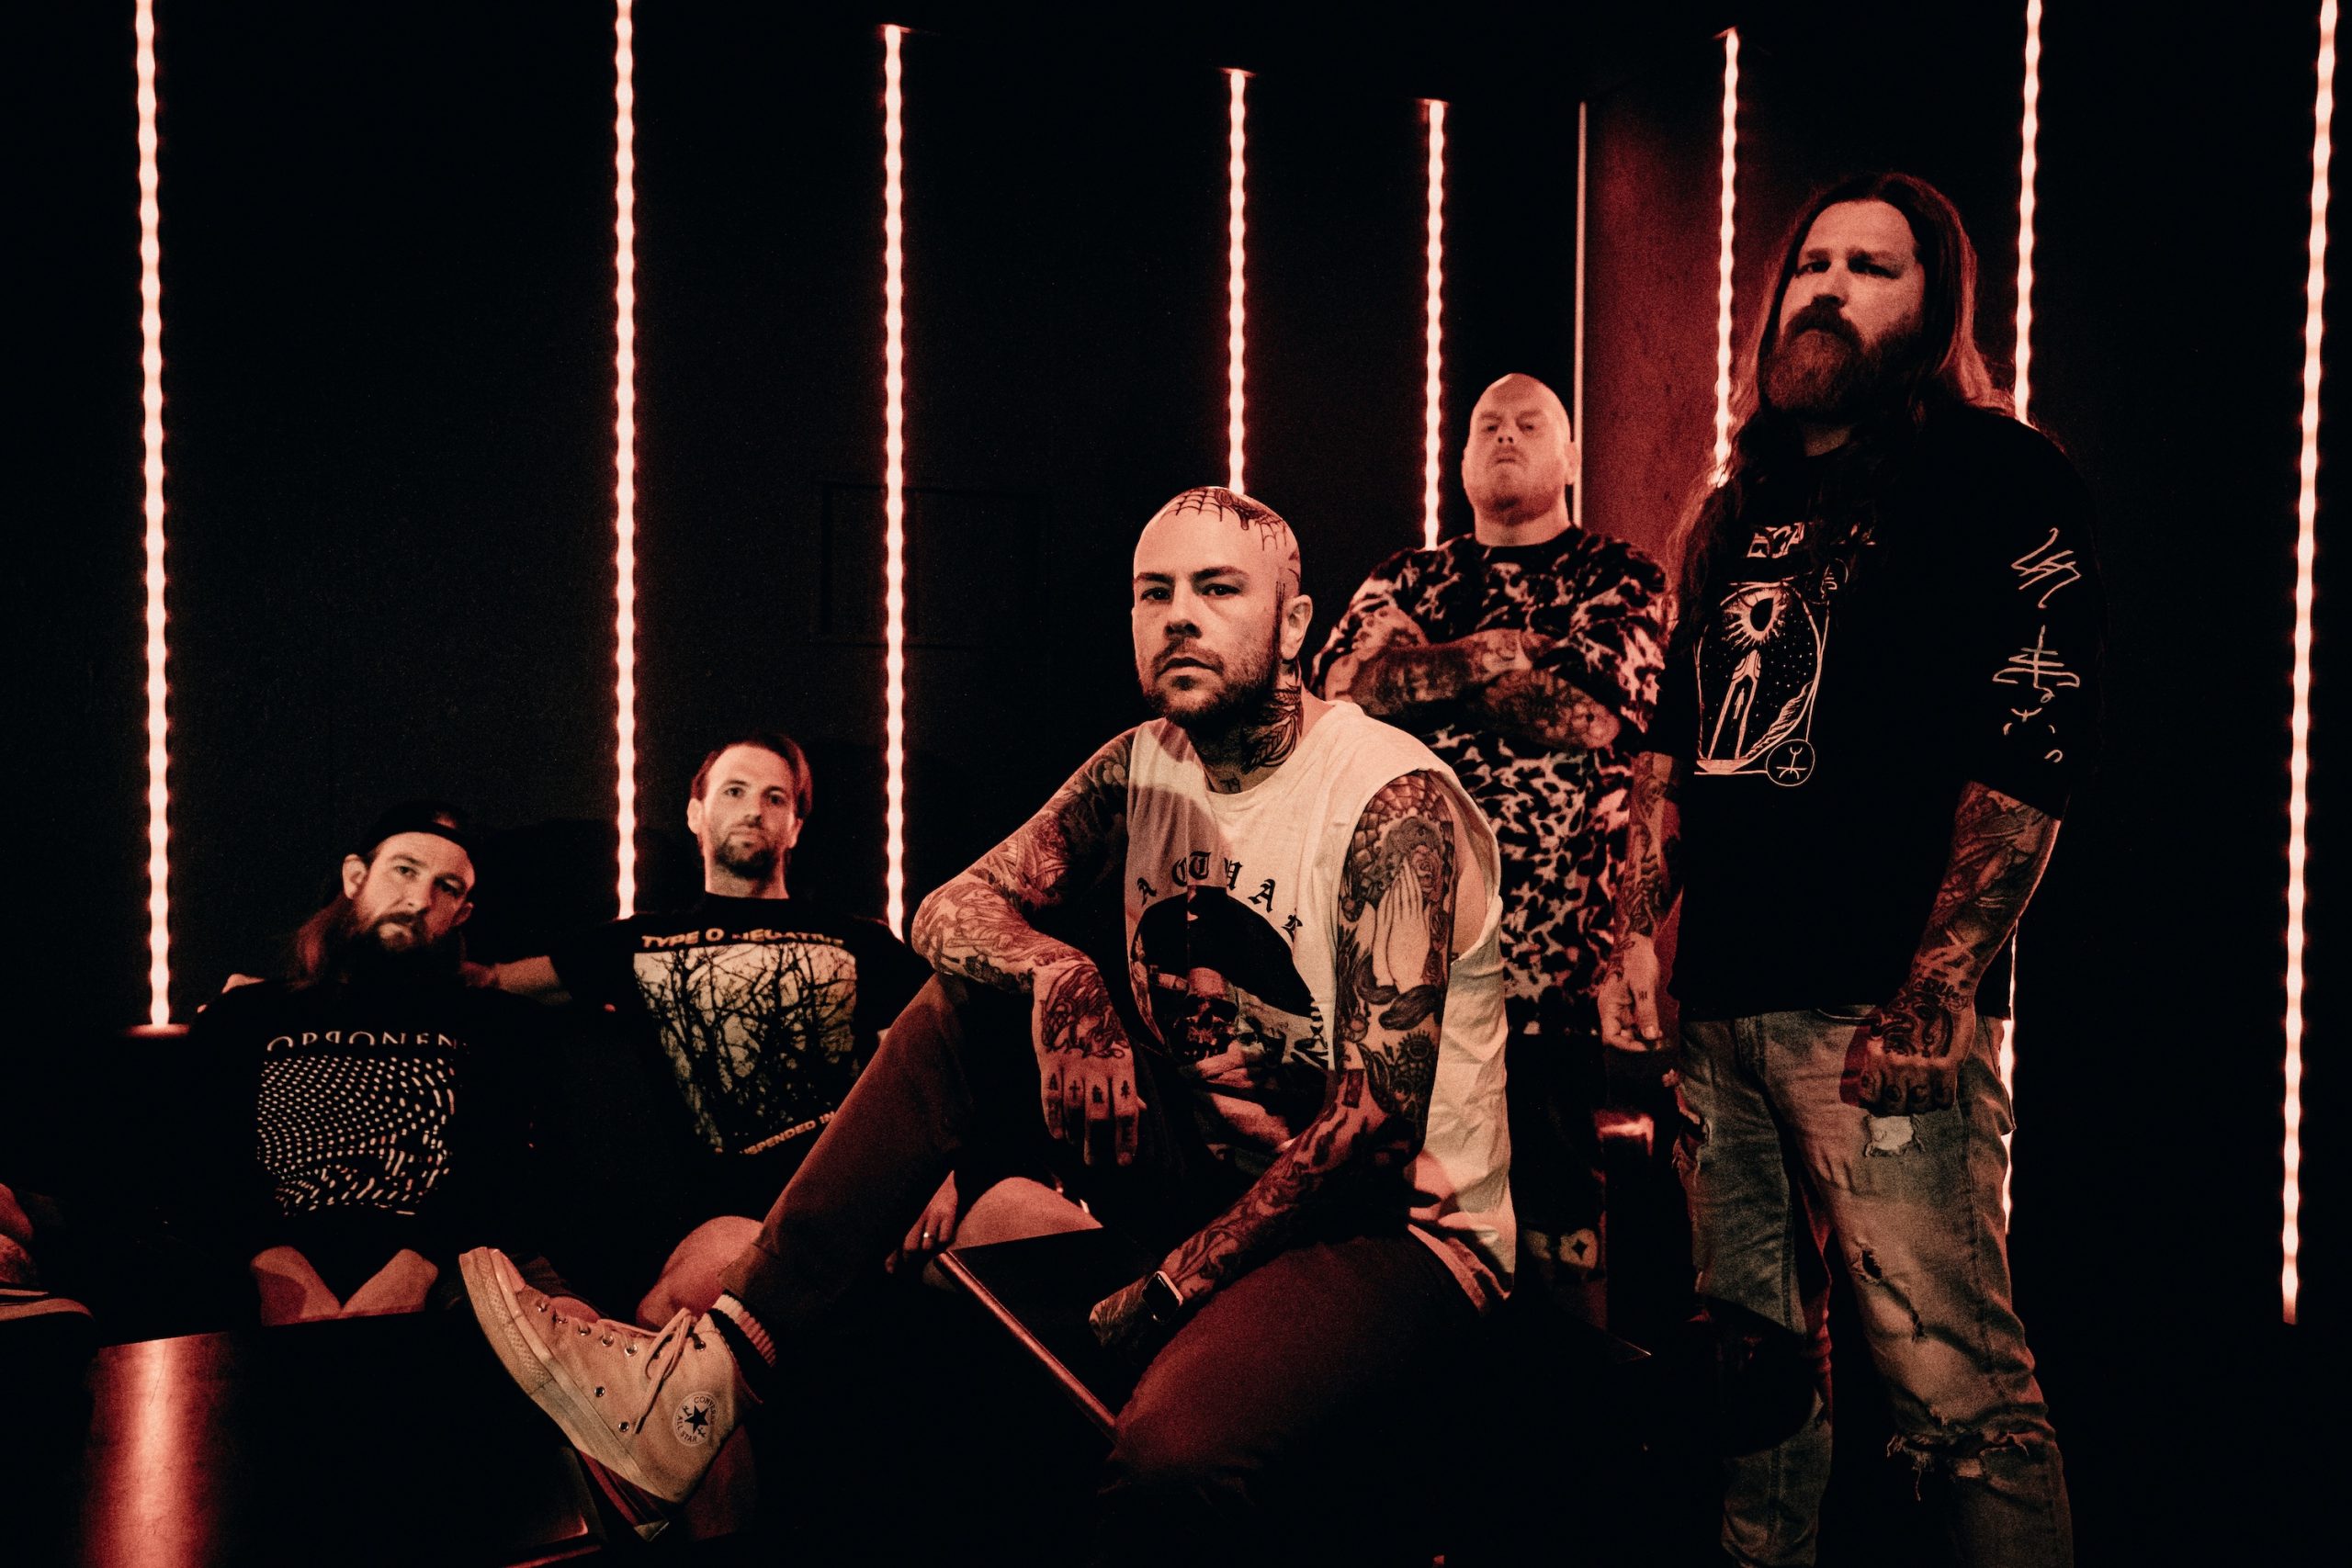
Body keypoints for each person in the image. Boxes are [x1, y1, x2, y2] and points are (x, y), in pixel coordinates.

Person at [460, 486, 1512, 1561]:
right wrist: (1063, 976)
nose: (1179, 618)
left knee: (1171, 1458)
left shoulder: (1390, 803)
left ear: (1293, 624)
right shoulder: (1140, 764)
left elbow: (1374, 1129)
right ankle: (710, 1374)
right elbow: (947, 909)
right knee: (967, 1003)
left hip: (1388, 1225)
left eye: (1217, 590)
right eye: (1154, 594)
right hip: (1206, 1168)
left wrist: (1169, 1287)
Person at [1600, 172, 2096, 1567]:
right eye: (1811, 263)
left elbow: (2034, 740)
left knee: (1959, 1399)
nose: (1827, 287)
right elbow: (1672, 746)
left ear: (1935, 307)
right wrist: (1633, 937)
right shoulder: (1736, 507)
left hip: (1871, 1014)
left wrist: (1935, 990)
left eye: (1872, 267)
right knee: (1751, 1375)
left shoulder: (1998, 474)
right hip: (1719, 1016)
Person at [1312, 372, 1667, 1315]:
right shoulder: (1409, 573)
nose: (1506, 435)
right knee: (1402, 1230)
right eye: (1488, 424)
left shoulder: (1620, 576)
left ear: (1571, 456)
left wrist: (1423, 669)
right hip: (1405, 975)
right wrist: (1501, 652)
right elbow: (1343, 691)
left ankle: (1564, 1401)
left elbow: (1592, 716)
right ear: (1463, 456)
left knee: (1558, 1243)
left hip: (1551, 980)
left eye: (1530, 423)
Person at [481, 732, 937, 1325]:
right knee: (724, 1266)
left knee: (1027, 1219)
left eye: (775, 797)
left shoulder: (859, 938)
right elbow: (490, 982)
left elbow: (945, 1044)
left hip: (867, 1193)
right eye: (734, 791)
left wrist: (942, 1172)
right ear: (696, 814)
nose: (754, 809)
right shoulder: (638, 941)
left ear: (796, 828)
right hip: (731, 1214)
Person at [185, 804, 583, 1324]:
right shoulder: (247, 1014)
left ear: (460, 915)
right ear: (356, 878)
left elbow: (494, 1167)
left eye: (447, 887)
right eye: (404, 870)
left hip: (451, 1254)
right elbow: (206, 1160)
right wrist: (276, 1266)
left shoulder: (496, 1022)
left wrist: (415, 1267)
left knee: (565, 1320)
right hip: (269, 1248)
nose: (419, 899)